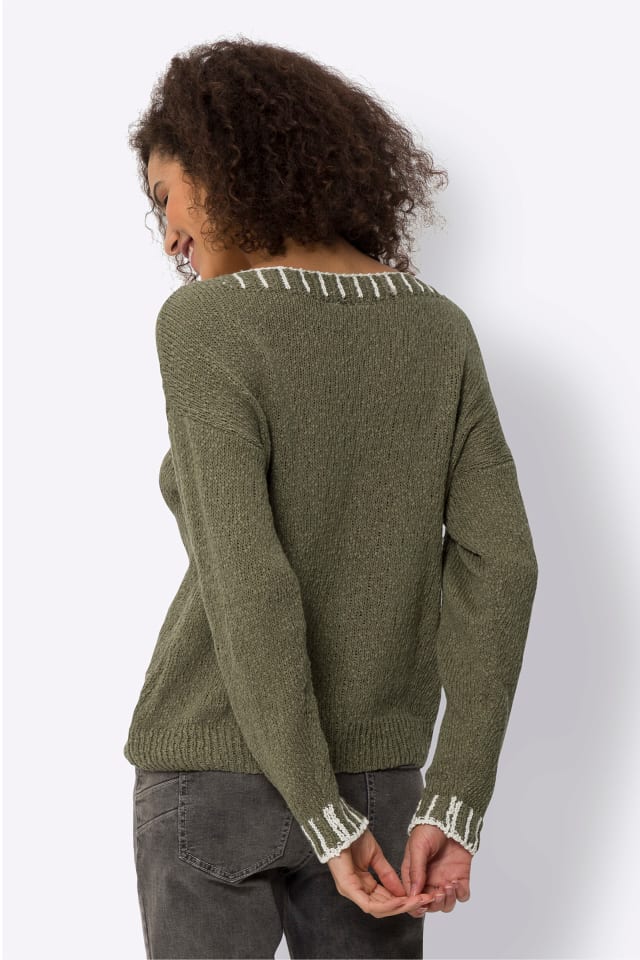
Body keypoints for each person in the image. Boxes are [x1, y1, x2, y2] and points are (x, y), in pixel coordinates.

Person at [123, 35, 539, 960]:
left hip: (215, 766)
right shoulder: (438, 329)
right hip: (381, 784)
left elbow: (247, 577)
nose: (169, 235)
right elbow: (501, 564)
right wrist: (454, 799)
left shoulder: (205, 325)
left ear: (225, 163)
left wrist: (316, 809)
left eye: (165, 196)